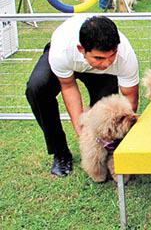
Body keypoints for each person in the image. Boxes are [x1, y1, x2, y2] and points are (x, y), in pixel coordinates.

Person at [25, 15, 139, 177]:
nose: (107, 63)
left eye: (112, 55)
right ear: (81, 49)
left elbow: (130, 101)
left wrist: (122, 132)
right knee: (37, 88)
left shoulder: (125, 57)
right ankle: (60, 152)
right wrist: (82, 133)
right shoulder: (62, 52)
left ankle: (111, 152)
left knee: (105, 116)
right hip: (68, 60)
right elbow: (68, 86)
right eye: (99, 58)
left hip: (102, 75)